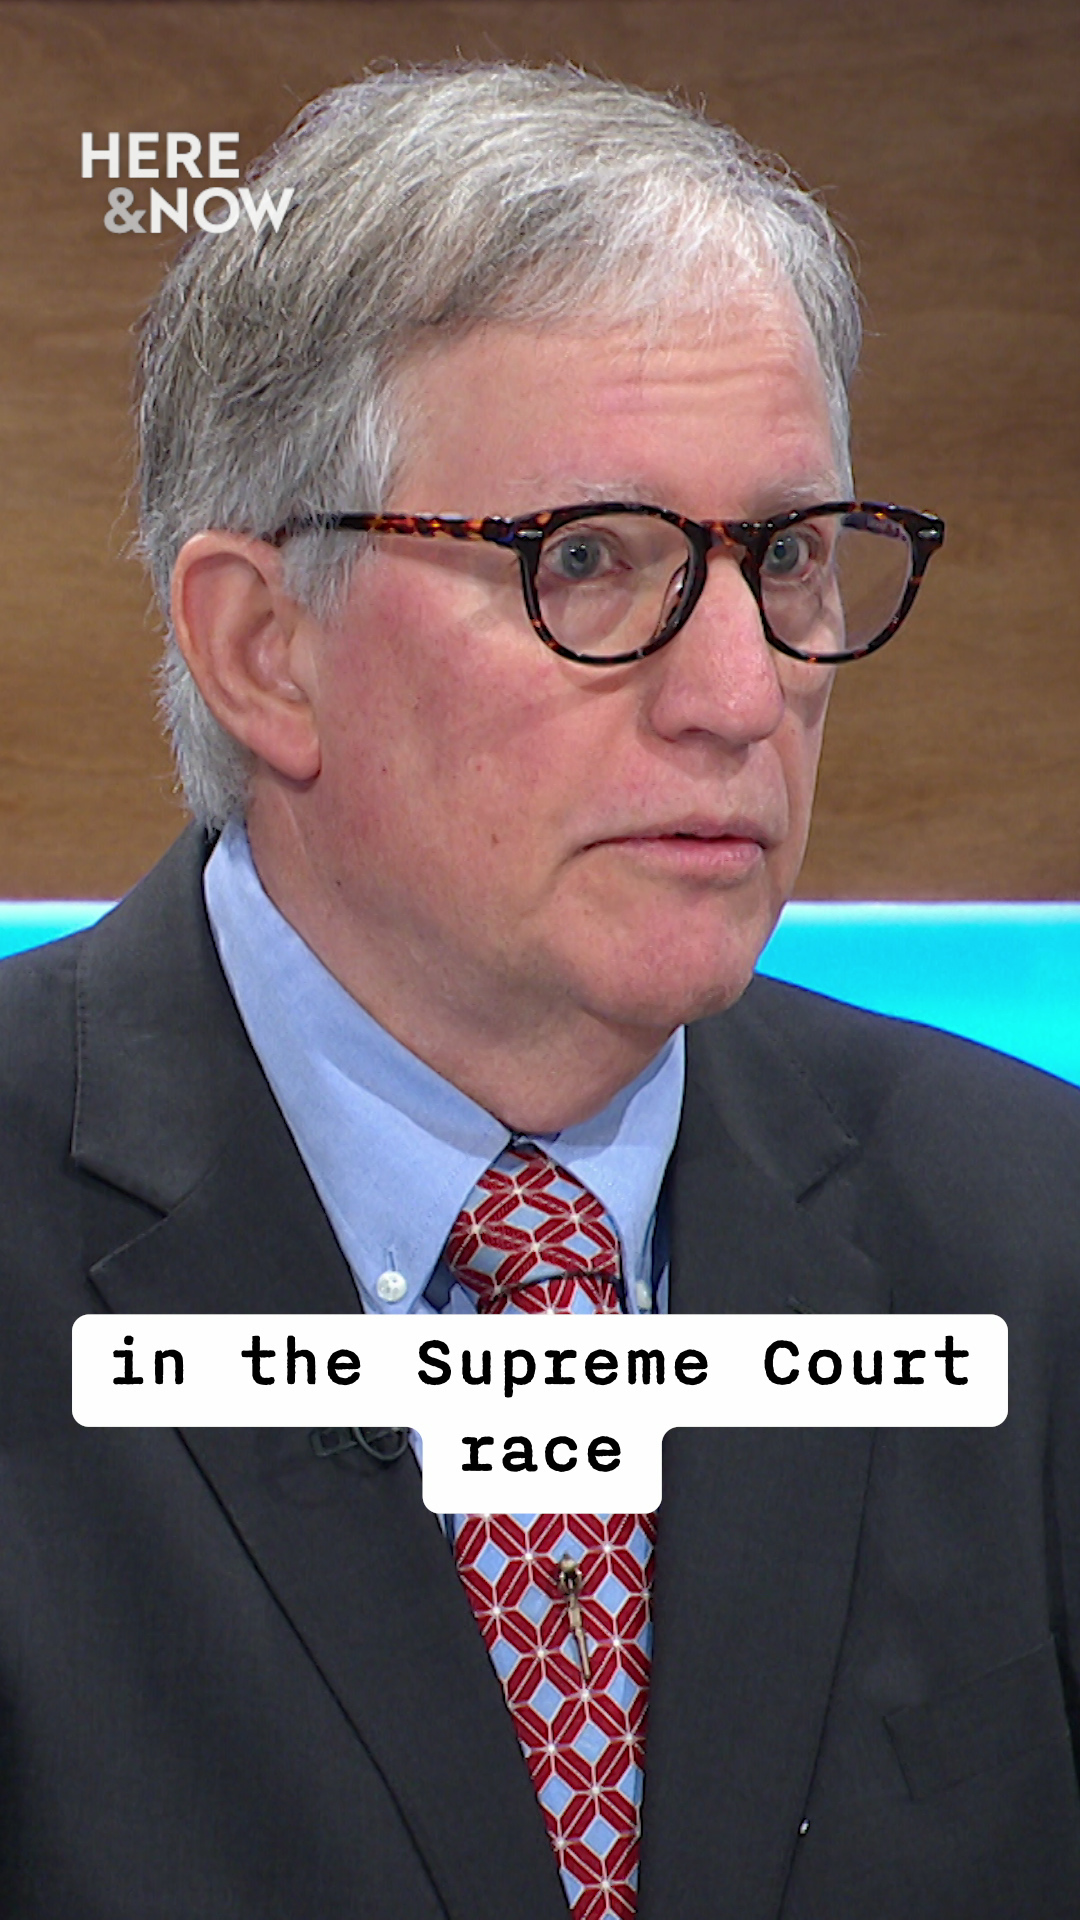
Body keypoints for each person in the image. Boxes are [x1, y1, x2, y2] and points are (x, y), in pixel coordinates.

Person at [1, 62, 1079, 1920]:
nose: (740, 697)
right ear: (264, 650)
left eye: (787, 557)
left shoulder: (1036, 1227)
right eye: (587, 560)